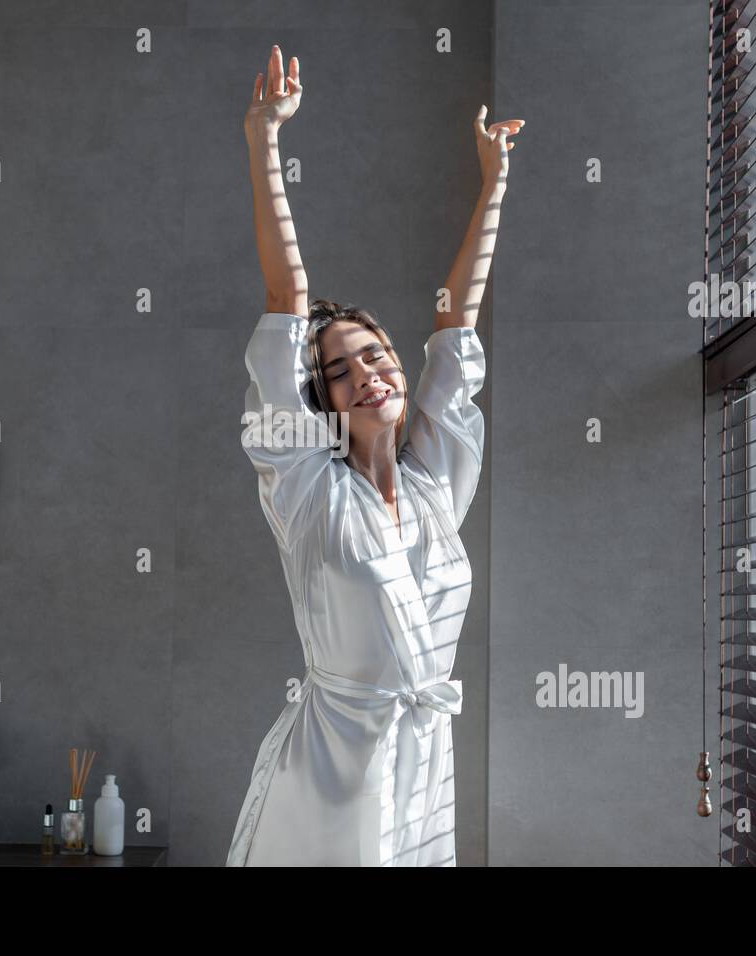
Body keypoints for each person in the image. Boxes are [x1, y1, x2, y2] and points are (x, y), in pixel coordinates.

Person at [228, 44, 521, 866]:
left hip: (423, 763)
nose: (369, 372)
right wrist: (265, 141)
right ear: (317, 402)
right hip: (330, 771)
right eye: (341, 368)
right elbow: (286, 298)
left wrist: (493, 186)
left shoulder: (437, 486)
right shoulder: (307, 493)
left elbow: (457, 331)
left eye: (378, 354)